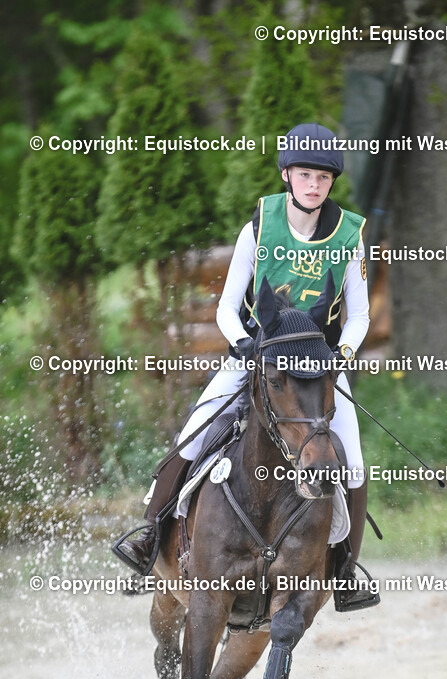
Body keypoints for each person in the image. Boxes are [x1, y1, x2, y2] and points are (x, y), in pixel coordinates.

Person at [113, 122, 379, 611]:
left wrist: (339, 360)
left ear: (330, 183)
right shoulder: (259, 225)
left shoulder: (351, 235)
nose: (313, 184)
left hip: (318, 369)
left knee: (353, 462)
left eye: (322, 177)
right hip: (258, 357)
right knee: (194, 434)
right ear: (286, 175)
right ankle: (148, 537)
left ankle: (345, 573)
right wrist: (243, 346)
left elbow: (359, 315)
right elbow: (226, 306)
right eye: (304, 174)